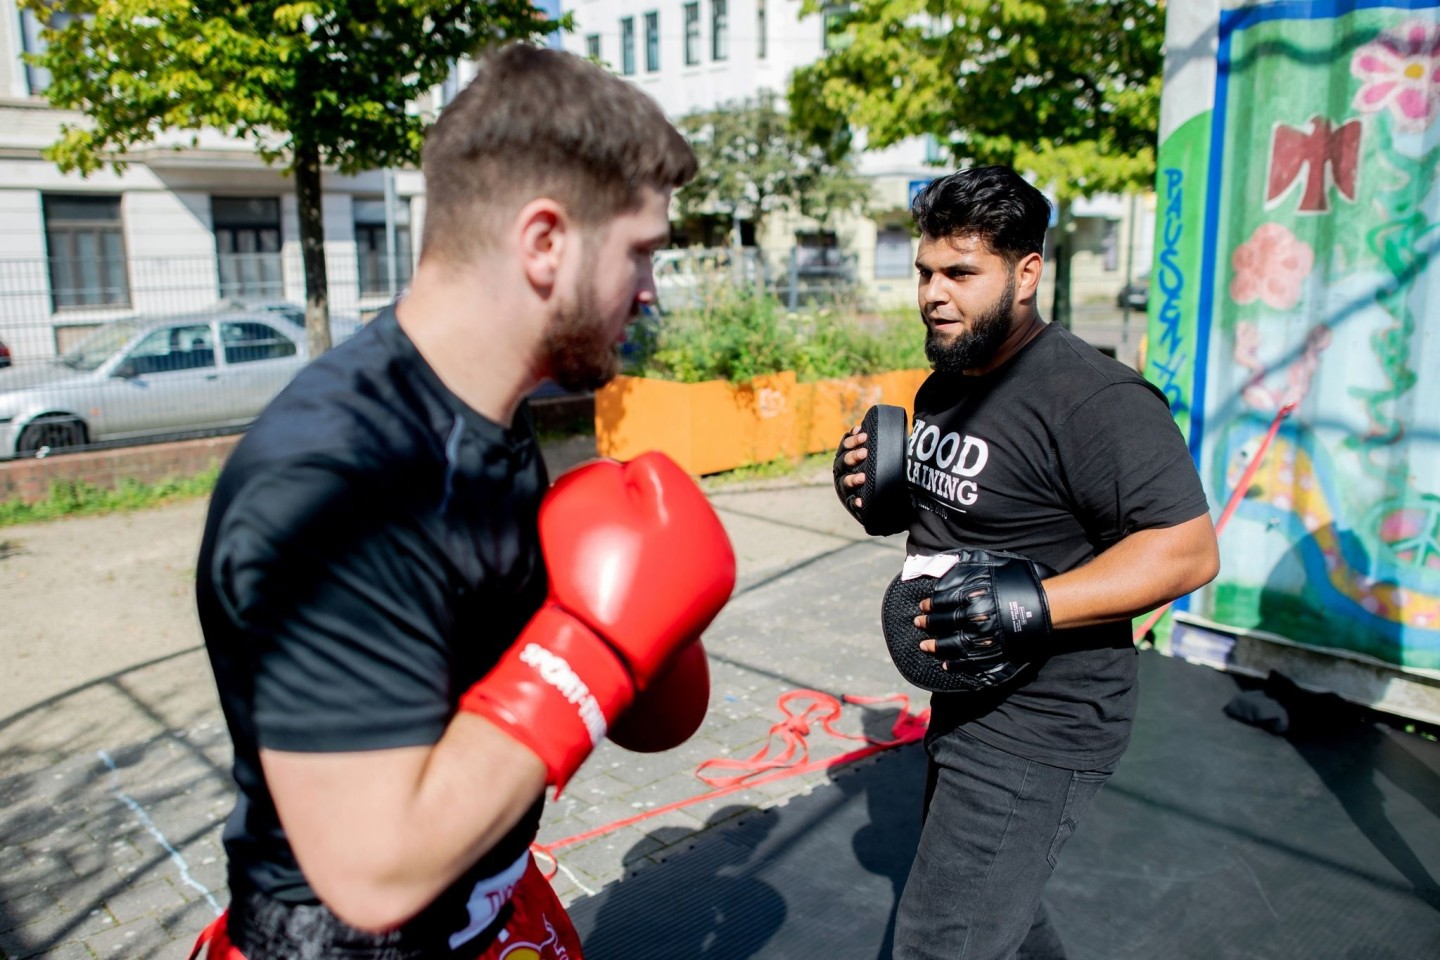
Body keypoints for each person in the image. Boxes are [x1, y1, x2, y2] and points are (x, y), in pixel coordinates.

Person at [189, 44, 733, 959]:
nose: (649, 291)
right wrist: (596, 645)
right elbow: (371, 871)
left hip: (487, 905)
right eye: (640, 253)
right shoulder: (334, 484)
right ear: (546, 241)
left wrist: (629, 643)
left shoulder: (490, 424)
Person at [835, 165, 1219, 959]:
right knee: (999, 918)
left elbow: (1185, 549)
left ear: (1026, 274)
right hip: (964, 698)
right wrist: (879, 493)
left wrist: (1029, 605)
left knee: (943, 941)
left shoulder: (1094, 399)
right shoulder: (948, 383)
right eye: (925, 271)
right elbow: (962, 516)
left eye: (961, 273)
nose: (934, 294)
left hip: (1044, 721)